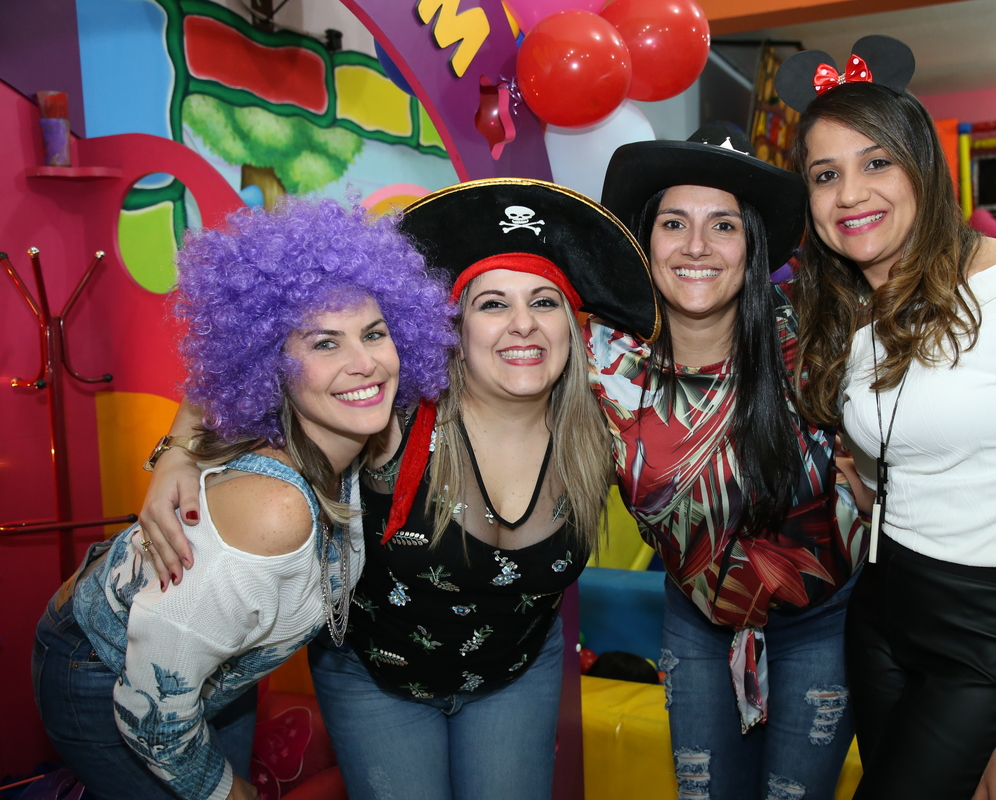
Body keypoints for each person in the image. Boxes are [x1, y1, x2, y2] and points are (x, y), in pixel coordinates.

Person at [136, 178, 660, 800]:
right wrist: (176, 452)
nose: (523, 324)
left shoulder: (606, 425)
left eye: (544, 302)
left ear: (572, 327)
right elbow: (267, 354)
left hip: (517, 674)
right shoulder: (389, 414)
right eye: (493, 304)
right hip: (374, 680)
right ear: (454, 326)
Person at [776, 35, 996, 800]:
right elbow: (904, 458)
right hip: (880, 611)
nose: (849, 193)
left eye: (876, 162)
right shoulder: (855, 309)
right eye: (825, 174)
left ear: (923, 169)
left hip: (987, 633)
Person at [32, 195, 454, 800]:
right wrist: (229, 792)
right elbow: (151, 715)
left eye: (374, 333)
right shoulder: (274, 512)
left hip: (205, 672)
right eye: (325, 343)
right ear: (271, 366)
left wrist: (176, 449)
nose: (365, 364)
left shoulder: (357, 434)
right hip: (103, 673)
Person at [593, 125, 864, 799]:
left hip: (826, 622)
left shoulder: (821, 332)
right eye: (673, 223)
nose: (696, 246)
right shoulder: (603, 361)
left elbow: (941, 304)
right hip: (697, 623)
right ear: (645, 239)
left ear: (753, 245)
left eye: (723, 225)